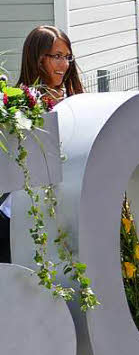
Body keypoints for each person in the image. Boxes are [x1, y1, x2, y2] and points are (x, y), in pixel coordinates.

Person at [5, 26, 83, 263]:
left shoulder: (76, 99)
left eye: (67, 57)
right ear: (37, 59)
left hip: (70, 203)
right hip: (26, 211)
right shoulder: (19, 103)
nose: (64, 64)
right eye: (56, 56)